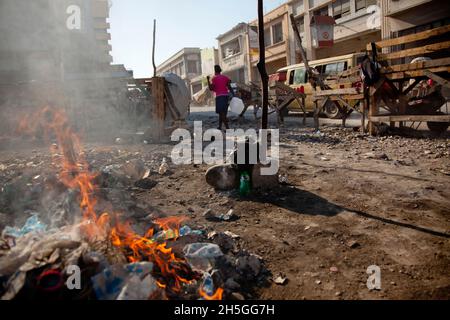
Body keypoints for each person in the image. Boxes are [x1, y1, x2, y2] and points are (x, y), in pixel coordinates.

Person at [207, 65, 233, 131]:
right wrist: (233, 95)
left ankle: (227, 128)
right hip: (226, 96)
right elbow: (229, 86)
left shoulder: (214, 78)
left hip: (220, 97)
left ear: (215, 71)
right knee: (223, 113)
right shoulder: (225, 77)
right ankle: (220, 126)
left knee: (222, 113)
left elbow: (211, 88)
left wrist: (207, 80)